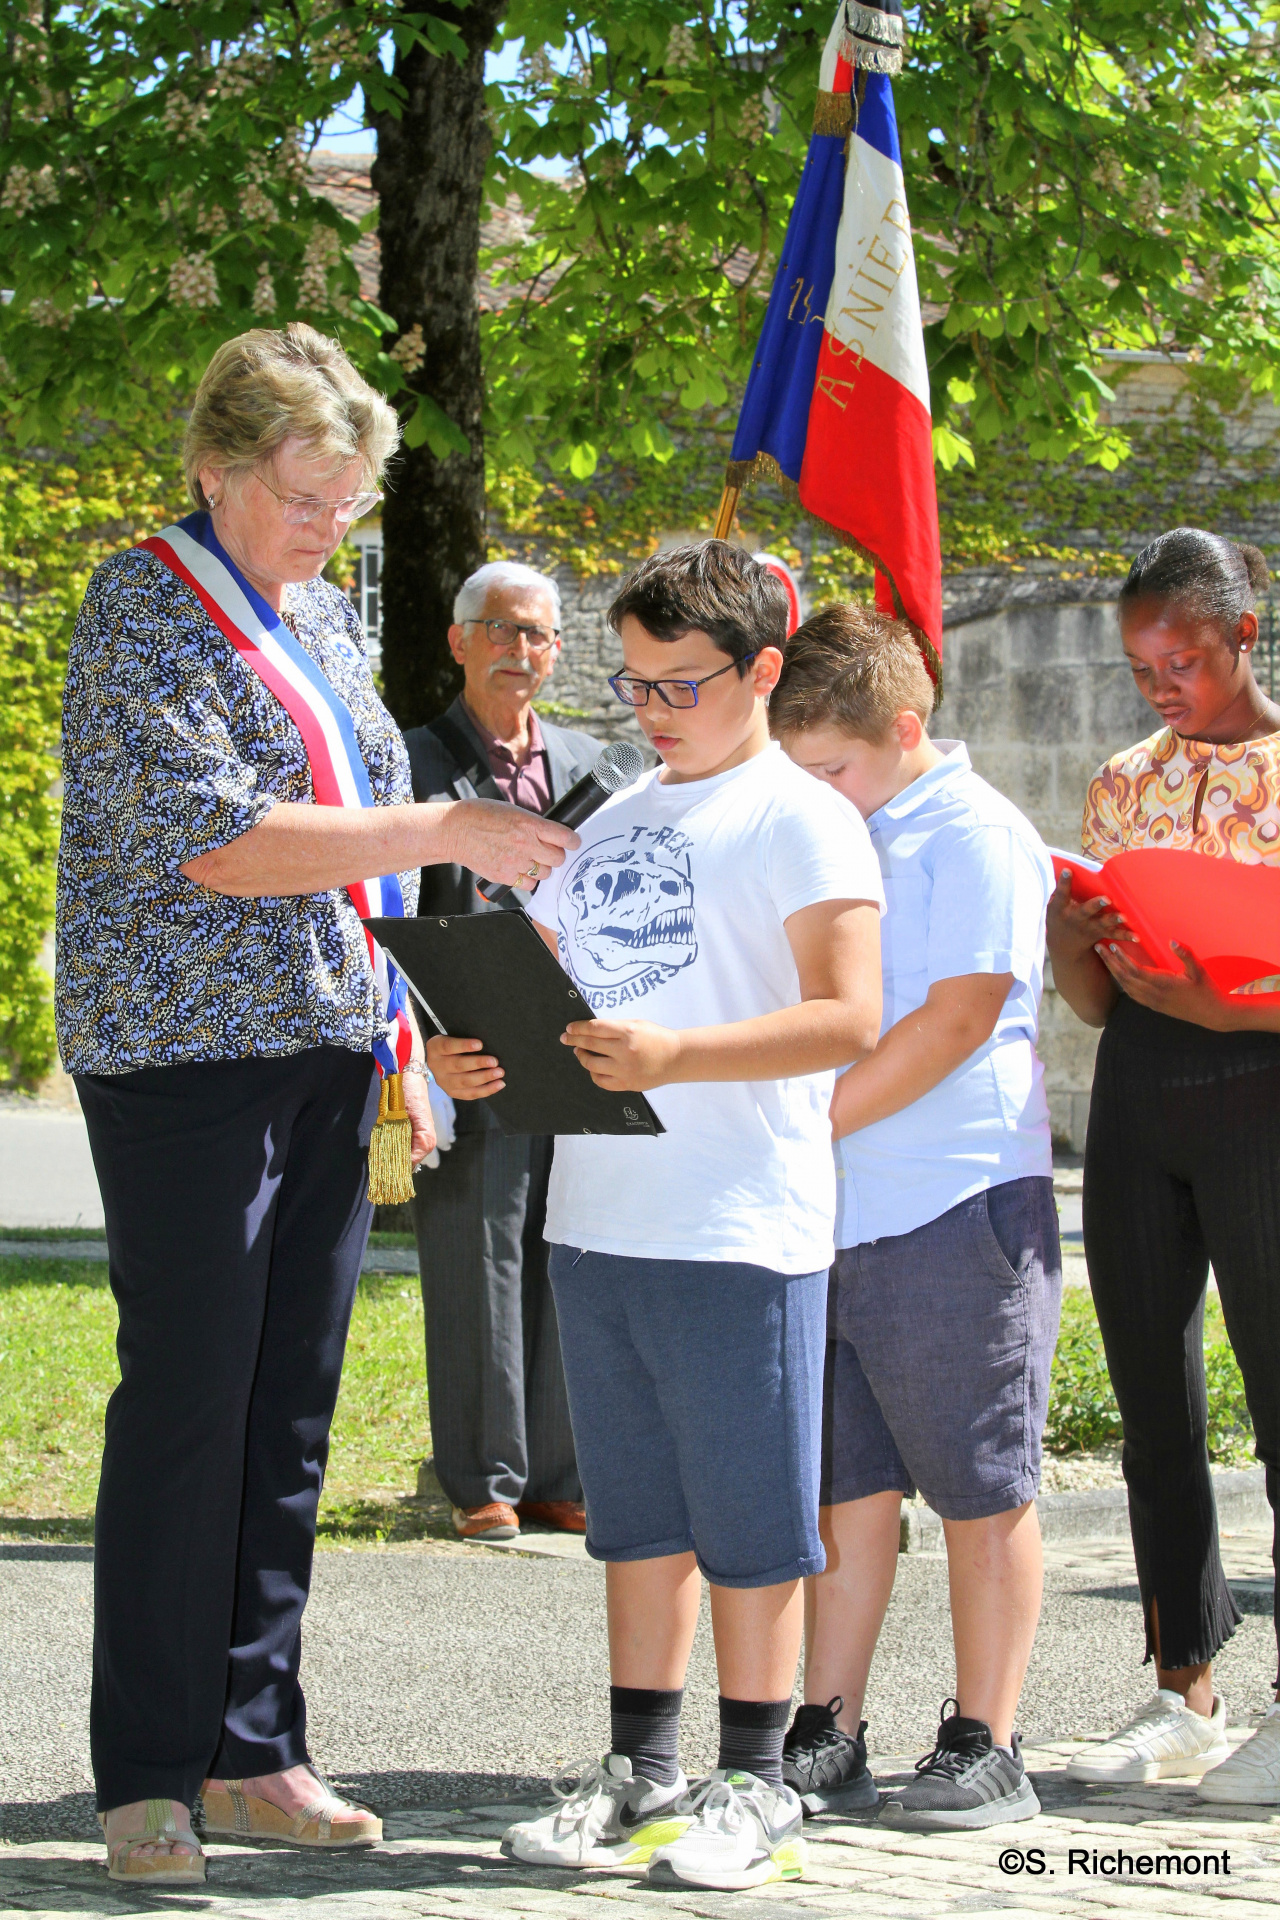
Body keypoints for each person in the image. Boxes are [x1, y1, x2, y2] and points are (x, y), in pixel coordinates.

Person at [56, 323, 576, 1886]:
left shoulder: (327, 611)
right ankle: (148, 1770)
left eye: (348, 498)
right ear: (216, 468)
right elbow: (219, 841)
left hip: (324, 1045)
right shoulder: (140, 605)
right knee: (190, 1408)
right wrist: (446, 820)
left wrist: (412, 1032)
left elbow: (355, 854)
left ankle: (255, 1749)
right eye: (302, 495)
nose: (329, 525)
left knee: (286, 1418)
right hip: (183, 1059)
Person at [430, 542, 885, 1890]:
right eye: (632, 685)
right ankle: (644, 1772)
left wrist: (683, 1056)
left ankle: (759, 1784)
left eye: (681, 684)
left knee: (752, 1518)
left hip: (738, 1222)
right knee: (636, 1518)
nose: (652, 710)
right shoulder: (618, 817)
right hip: (601, 1213)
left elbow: (849, 1016)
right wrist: (480, 1052)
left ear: (760, 673)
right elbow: (555, 995)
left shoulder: (803, 818)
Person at [767, 604, 1060, 1831]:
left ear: (903, 725)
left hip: (954, 1200)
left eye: (831, 768)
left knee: (979, 1486)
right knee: (846, 1488)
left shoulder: (976, 833)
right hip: (835, 1211)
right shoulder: (843, 832)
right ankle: (827, 1724)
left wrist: (802, 1123)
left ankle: (984, 1738)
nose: (819, 793)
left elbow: (951, 1021)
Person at [1048, 529, 1280, 1803]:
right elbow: (1089, 1003)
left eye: (1180, 660)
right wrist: (1064, 931)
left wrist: (1219, 1011)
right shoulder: (1121, 779)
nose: (1159, 688)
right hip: (1138, 1092)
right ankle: (1178, 1682)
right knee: (1152, 1402)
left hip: (1260, 1088)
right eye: (1140, 667)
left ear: (1241, 635)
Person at [401, 563, 599, 1542]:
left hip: (570, 1051)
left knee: (566, 1254)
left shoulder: (587, 763)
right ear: (459, 640)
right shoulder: (411, 765)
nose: (521, 651)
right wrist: (421, 1051)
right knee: (474, 1263)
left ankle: (558, 1474)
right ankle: (483, 1478)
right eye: (501, 630)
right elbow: (378, 920)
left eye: (537, 636)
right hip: (466, 1051)